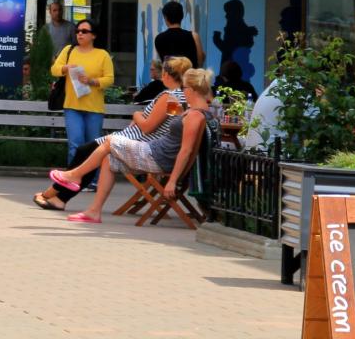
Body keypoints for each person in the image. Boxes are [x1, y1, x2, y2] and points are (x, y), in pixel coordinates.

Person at [48, 67, 219, 224]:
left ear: (193, 90)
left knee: (110, 141)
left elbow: (186, 150)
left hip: (158, 157)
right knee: (109, 159)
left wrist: (172, 181)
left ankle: (75, 175)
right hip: (156, 152)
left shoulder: (195, 116)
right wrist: (179, 112)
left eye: (185, 88)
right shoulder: (198, 111)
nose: (183, 91)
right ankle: (94, 211)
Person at [33, 56, 192, 210]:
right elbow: (166, 123)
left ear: (166, 74)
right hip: (144, 140)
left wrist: (137, 115)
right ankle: (57, 195)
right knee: (85, 153)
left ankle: (56, 195)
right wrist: (142, 118)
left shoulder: (169, 97)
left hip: (139, 140)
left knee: (84, 152)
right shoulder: (180, 96)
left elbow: (148, 127)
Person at [51, 19, 115, 169]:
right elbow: (54, 69)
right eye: (78, 31)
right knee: (75, 144)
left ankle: (93, 179)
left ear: (93, 35)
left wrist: (92, 81)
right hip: (72, 106)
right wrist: (65, 68)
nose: (80, 34)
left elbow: (110, 79)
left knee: (93, 147)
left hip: (94, 108)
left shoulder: (102, 55)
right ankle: (73, 178)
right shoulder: (68, 50)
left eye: (84, 31)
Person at [155, 0, 204, 67]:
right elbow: (200, 62)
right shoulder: (194, 36)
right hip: (190, 73)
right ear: (182, 16)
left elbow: (162, 63)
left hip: (169, 74)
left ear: (165, 18)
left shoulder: (158, 39)